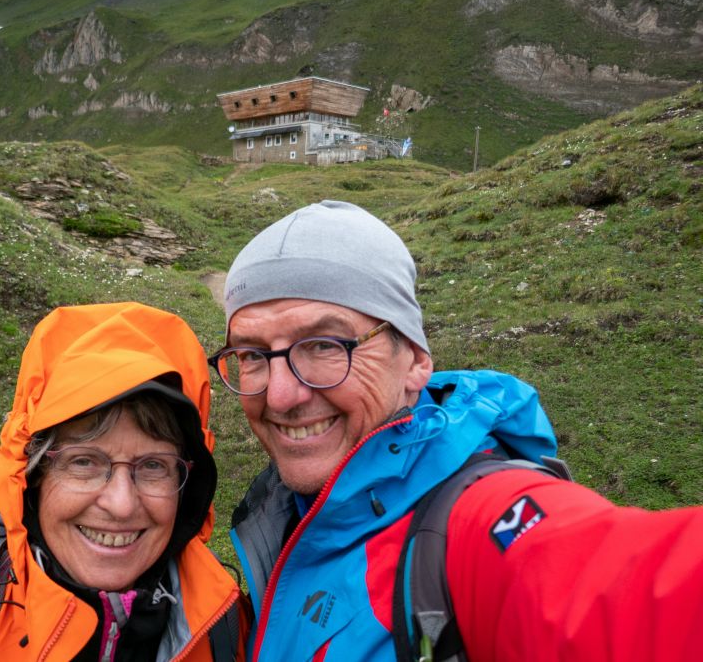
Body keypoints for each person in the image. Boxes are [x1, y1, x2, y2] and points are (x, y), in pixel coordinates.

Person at [210, 200, 703, 661]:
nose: (279, 395)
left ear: (416, 362)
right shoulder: (284, 513)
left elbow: (630, 591)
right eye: (253, 355)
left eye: (324, 345)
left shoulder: (476, 524)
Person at [0, 302, 245, 661]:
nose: (122, 504)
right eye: (84, 461)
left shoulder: (227, 628)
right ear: (32, 478)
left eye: (153, 466)